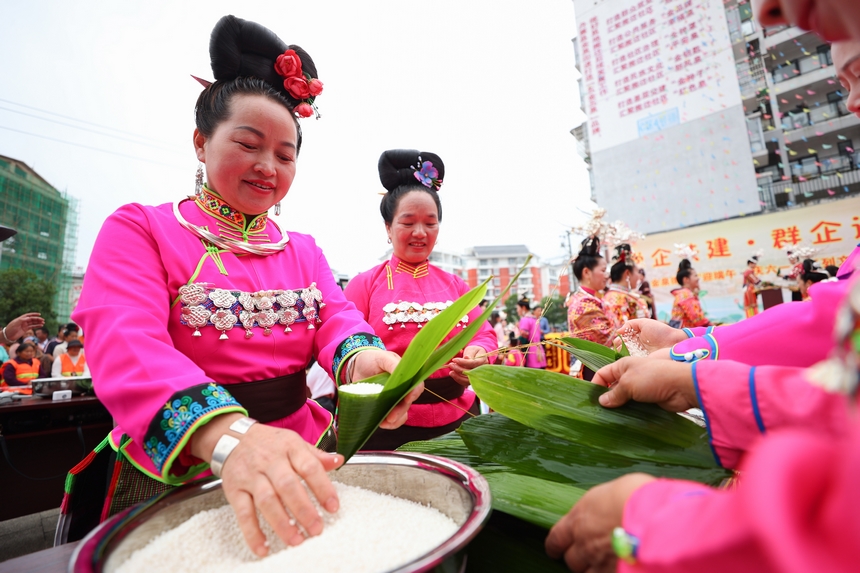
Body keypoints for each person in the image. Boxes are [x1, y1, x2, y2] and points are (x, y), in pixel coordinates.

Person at [62, 16, 421, 556]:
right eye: (248, 144)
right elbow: (126, 343)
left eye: (284, 154)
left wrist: (366, 362)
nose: (266, 167)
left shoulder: (302, 249)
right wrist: (229, 438)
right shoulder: (142, 229)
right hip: (181, 463)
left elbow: (338, 319)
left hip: (302, 451)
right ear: (201, 142)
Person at [344, 149, 497, 450]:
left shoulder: (456, 285)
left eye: (430, 223)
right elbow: (343, 338)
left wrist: (480, 354)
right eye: (407, 222)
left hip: (458, 419)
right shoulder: (365, 284)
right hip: (386, 420)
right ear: (388, 228)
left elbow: (484, 333)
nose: (419, 232)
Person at [603, 244, 649, 329]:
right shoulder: (618, 299)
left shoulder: (613, 296)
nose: (639, 276)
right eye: (637, 272)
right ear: (627, 273)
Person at [669, 259, 711, 329]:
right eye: (695, 275)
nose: (698, 278)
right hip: (686, 334)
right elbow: (697, 319)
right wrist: (713, 327)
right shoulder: (686, 295)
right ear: (686, 280)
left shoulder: (683, 294)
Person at [516, 299, 547, 369]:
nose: (517, 310)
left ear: (523, 308)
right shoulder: (535, 319)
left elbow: (524, 335)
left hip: (531, 352)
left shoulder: (525, 319)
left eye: (517, 308)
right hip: (539, 350)